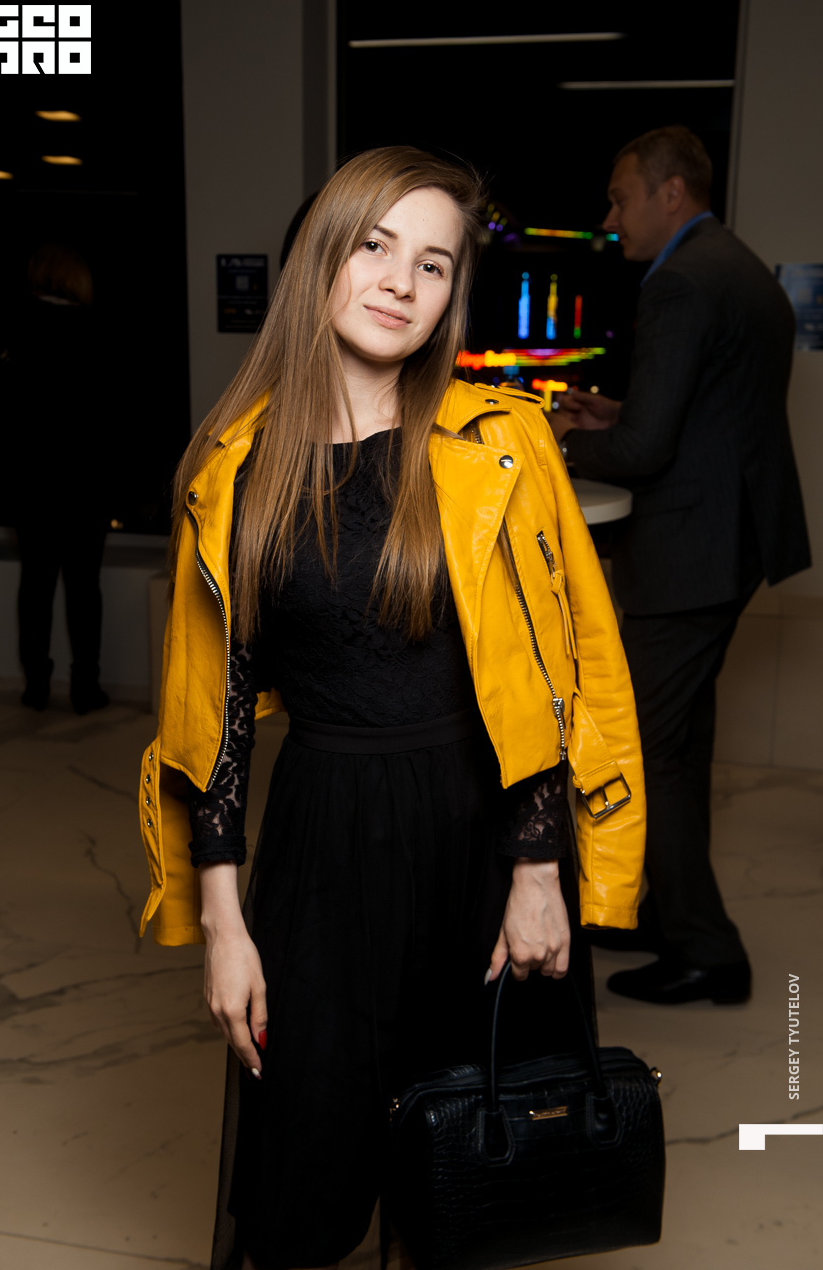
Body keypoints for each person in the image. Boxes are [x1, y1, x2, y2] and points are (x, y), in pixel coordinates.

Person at [138, 147, 646, 1270]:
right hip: (322, 845)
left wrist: (540, 875)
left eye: (432, 262)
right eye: (374, 246)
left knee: (467, 1169)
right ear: (322, 255)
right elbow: (214, 714)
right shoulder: (235, 466)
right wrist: (223, 923)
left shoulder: (500, 442)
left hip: (482, 839)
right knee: (304, 1172)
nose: (400, 282)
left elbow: (561, 669)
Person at [550, 126, 811, 1006]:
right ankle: (666, 914)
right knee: (682, 743)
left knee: (647, 749)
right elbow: (708, 414)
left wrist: (559, 442)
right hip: (732, 540)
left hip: (690, 552)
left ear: (670, 193)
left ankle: (707, 949)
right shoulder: (739, 266)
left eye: (620, 197)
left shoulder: (680, 283)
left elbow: (647, 450)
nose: (610, 217)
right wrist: (618, 412)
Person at [5, 240, 111, 713]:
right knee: (84, 588)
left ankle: (36, 684)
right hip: (85, 485)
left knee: (35, 585)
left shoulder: (16, 334)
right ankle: (86, 686)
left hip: (31, 485)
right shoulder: (94, 335)